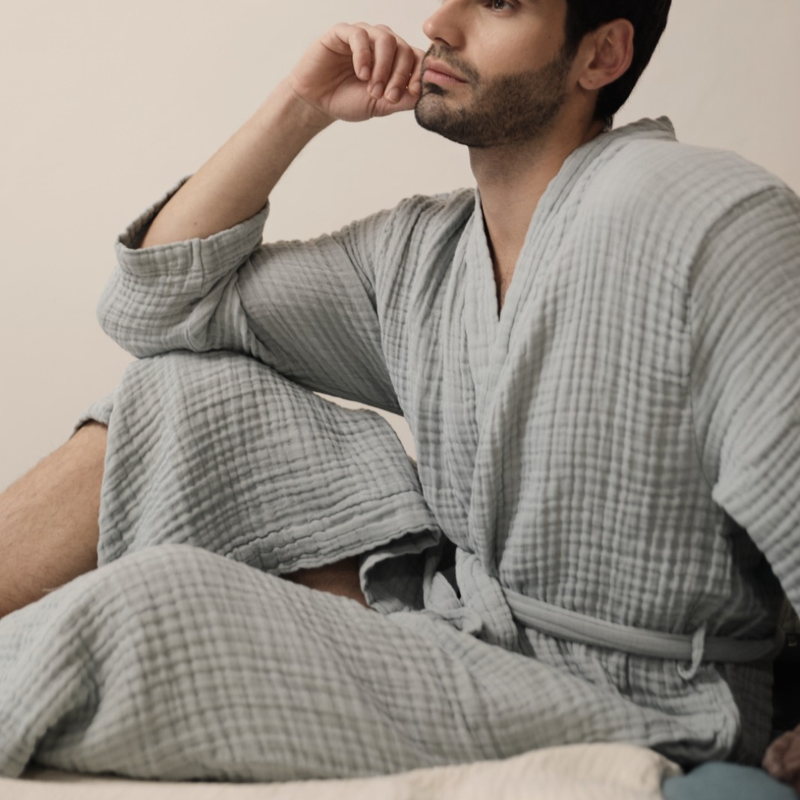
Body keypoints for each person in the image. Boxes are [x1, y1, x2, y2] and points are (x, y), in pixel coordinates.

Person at [0, 0, 798, 794]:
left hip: (642, 696)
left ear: (601, 56)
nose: (439, 25)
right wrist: (300, 108)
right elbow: (156, 310)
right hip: (467, 622)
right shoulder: (424, 254)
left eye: (500, 4)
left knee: (157, 608)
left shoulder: (702, 213)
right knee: (177, 392)